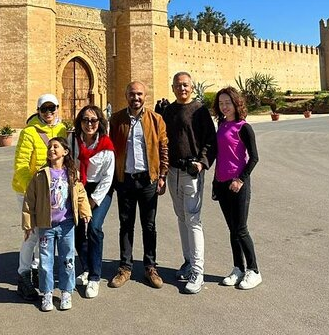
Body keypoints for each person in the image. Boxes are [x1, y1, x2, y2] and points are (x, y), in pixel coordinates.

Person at [108, 81, 169, 289]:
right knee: (126, 224)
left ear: (146, 96)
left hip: (148, 179)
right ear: (126, 96)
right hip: (125, 179)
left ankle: (150, 266)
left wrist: (162, 175)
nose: (136, 98)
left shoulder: (156, 119)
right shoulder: (116, 119)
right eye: (132, 94)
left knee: (149, 226)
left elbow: (163, 148)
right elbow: (109, 150)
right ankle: (125, 267)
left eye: (140, 94)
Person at [161, 72, 216, 294]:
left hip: (191, 172)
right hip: (173, 171)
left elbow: (210, 141)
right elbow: (162, 141)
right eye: (178, 85)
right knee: (181, 217)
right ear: (172, 88)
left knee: (193, 219)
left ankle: (197, 270)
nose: (181, 88)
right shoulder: (169, 111)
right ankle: (187, 261)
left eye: (185, 85)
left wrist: (202, 163)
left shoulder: (200, 110)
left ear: (191, 87)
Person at [22, 137, 92, 311]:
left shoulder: (71, 173)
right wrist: (28, 224)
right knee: (45, 261)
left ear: (65, 151)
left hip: (66, 225)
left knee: (67, 259)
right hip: (46, 225)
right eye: (49, 147)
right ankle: (46, 293)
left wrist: (85, 211)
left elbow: (80, 193)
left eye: (55, 146)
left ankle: (66, 292)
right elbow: (29, 200)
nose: (51, 149)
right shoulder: (40, 175)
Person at [12, 94, 67, 300]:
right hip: (29, 191)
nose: (49, 113)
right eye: (44, 109)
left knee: (47, 233)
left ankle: (38, 272)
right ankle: (23, 275)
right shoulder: (29, 132)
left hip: (53, 191)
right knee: (32, 234)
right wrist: (35, 189)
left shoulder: (62, 130)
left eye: (52, 108)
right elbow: (21, 165)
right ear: (38, 111)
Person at [211, 86, 262, 290]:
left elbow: (254, 158)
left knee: (241, 229)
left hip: (238, 184)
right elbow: (221, 156)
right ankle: (238, 268)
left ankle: (254, 270)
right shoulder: (222, 125)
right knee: (232, 229)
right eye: (221, 103)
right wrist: (215, 182)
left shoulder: (243, 127)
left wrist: (240, 179)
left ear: (235, 103)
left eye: (228, 103)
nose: (224, 107)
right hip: (222, 183)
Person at [68, 105, 115, 299]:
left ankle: (95, 277)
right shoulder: (72, 140)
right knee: (78, 228)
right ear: (80, 122)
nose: (89, 124)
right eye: (85, 120)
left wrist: (93, 201)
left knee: (94, 227)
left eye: (93, 120)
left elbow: (108, 177)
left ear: (100, 123)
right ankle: (86, 268)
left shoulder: (106, 145)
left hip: (100, 191)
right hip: (79, 187)